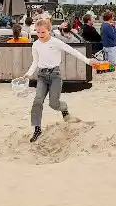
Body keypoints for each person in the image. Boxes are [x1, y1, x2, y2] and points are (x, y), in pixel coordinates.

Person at [22, 15, 89, 143]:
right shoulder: (35, 45)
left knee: (54, 104)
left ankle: (64, 109)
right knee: (37, 101)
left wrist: (87, 61)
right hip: (41, 76)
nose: (40, 34)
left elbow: (73, 51)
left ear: (49, 31)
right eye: (38, 32)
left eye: (43, 32)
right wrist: (28, 74)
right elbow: (35, 62)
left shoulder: (55, 42)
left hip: (55, 76)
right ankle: (37, 128)